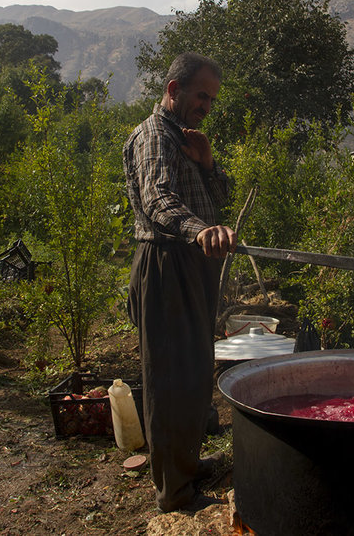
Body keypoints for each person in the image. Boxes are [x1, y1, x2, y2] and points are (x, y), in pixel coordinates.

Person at [123, 52, 237, 512]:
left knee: (193, 372)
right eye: (201, 95)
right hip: (167, 264)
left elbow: (223, 196)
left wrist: (208, 163)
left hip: (192, 265)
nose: (207, 105)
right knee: (170, 379)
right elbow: (157, 199)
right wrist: (199, 230)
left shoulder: (187, 138)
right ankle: (174, 491)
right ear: (173, 90)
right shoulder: (153, 135)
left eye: (211, 98)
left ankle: (185, 463)